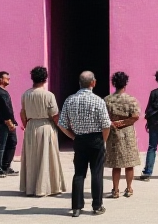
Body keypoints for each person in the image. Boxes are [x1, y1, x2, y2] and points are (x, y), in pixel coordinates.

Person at [58, 71, 112, 217]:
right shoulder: (98, 101)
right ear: (93, 83)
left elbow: (62, 124)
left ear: (79, 83)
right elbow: (106, 125)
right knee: (97, 173)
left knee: (79, 173)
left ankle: (76, 207)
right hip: (96, 139)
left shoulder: (70, 100)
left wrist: (73, 136)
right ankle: (97, 206)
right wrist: (103, 140)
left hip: (80, 139)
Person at [20, 66, 65, 196]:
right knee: (46, 157)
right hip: (46, 126)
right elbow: (55, 115)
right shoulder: (49, 95)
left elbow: (23, 113)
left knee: (32, 158)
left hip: (31, 126)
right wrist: (62, 128)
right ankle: (45, 187)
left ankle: (31, 188)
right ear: (45, 79)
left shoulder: (25, 94)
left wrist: (27, 125)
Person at [104, 71, 141, 198]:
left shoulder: (107, 100)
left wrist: (114, 123)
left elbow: (104, 117)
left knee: (116, 163)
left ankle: (115, 189)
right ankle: (129, 188)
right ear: (125, 84)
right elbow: (135, 116)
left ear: (114, 83)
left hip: (113, 133)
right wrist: (122, 123)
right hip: (128, 133)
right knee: (129, 163)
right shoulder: (131, 100)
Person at [0, 71, 19, 177]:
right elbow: (5, 109)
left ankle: (6, 166)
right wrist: (9, 122)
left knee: (12, 143)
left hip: (7, 122)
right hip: (0, 123)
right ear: (0, 80)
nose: (8, 79)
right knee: (0, 146)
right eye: (6, 78)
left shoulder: (3, 92)